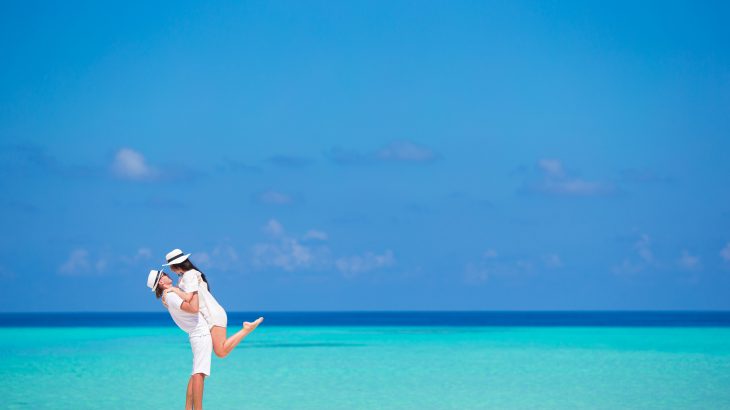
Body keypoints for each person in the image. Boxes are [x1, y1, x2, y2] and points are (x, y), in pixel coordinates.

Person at [163, 248, 263, 358]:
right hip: (211, 313)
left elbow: (188, 297)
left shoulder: (189, 275)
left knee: (220, 352)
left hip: (212, 315)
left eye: (170, 266)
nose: (171, 270)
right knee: (219, 351)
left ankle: (246, 329)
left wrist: (174, 290)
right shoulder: (188, 276)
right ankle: (246, 329)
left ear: (175, 265)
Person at [147, 269, 210, 410]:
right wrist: (191, 291)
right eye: (163, 275)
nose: (167, 274)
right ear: (161, 282)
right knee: (199, 373)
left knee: (196, 373)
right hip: (200, 333)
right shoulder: (170, 296)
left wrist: (176, 290)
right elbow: (193, 308)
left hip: (196, 334)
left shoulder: (169, 295)